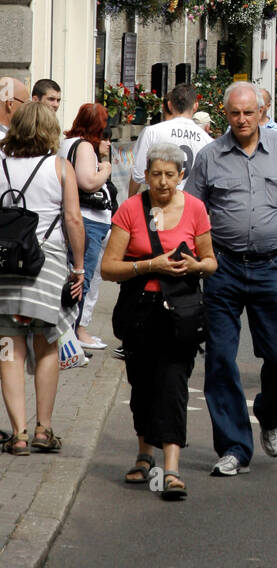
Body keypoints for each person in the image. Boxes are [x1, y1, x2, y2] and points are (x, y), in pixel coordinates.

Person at [184, 82, 277, 477]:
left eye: (249, 113)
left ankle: (269, 415)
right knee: (221, 359)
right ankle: (234, 447)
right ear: (226, 114)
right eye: (235, 113)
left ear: (261, 113)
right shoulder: (209, 157)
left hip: (273, 266)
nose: (242, 120)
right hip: (222, 268)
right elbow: (193, 210)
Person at [102, 143, 217, 499]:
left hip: (179, 311)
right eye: (156, 174)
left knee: (173, 384)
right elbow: (108, 268)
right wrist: (150, 265)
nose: (163, 182)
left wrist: (195, 266)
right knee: (143, 385)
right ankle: (143, 455)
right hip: (139, 309)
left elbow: (211, 260)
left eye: (170, 174)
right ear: (146, 176)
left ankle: (171, 469)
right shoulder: (130, 209)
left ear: (181, 176)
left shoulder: (196, 209)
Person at [0, 103, 84, 455]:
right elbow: (74, 221)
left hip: (4, 266)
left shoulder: (0, 165)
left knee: (8, 347)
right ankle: (43, 429)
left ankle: (17, 433)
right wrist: (78, 268)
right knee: (47, 343)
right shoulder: (61, 168)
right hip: (46, 263)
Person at [60, 103, 115, 351]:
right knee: (83, 277)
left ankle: (70, 332)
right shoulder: (83, 147)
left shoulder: (67, 143)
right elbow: (88, 182)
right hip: (89, 220)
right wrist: (105, 170)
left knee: (74, 275)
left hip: (79, 217)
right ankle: (77, 332)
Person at [129, 83, 210, 196]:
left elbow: (138, 174)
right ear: (195, 106)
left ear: (170, 105)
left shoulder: (152, 132)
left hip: (159, 203)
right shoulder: (207, 140)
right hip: (192, 206)